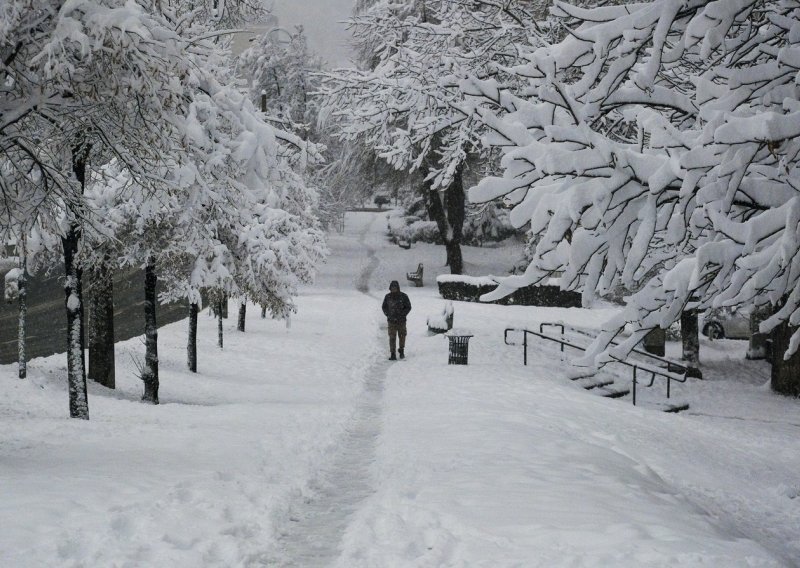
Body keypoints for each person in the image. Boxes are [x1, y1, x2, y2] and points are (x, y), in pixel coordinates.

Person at [382, 280, 412, 360]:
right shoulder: (387, 297)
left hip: (401, 321)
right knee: (392, 337)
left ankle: (401, 350)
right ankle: (393, 353)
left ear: (398, 288)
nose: (393, 289)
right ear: (390, 288)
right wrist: (388, 314)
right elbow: (384, 307)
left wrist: (402, 314)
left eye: (395, 288)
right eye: (392, 288)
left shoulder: (404, 296)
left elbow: (408, 307)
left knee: (402, 336)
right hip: (391, 321)